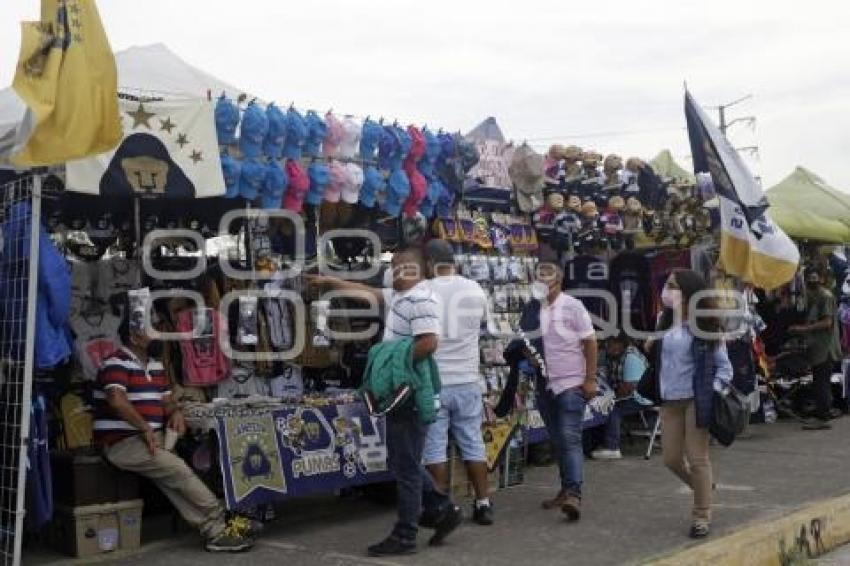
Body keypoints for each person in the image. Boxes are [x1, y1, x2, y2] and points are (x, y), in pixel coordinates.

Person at [310, 247, 462, 557]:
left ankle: (406, 534)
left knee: (405, 467)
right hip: (401, 392)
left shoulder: (420, 299)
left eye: (405, 266)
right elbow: (370, 293)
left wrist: (394, 365)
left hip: (408, 392)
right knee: (401, 460)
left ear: (422, 271)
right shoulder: (401, 296)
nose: (397, 272)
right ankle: (442, 508)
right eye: (394, 266)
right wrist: (331, 282)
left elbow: (429, 342)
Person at [94, 314, 254, 553]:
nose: (158, 334)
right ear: (135, 336)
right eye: (152, 330)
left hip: (151, 438)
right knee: (177, 470)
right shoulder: (115, 362)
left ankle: (214, 532)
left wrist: (175, 412)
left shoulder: (155, 365)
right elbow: (116, 400)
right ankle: (221, 514)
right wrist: (144, 427)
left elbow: (166, 401)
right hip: (123, 443)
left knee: (173, 479)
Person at [651, 269, 732, 539]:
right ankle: (705, 486)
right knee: (671, 459)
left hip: (696, 399)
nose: (667, 290)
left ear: (688, 293)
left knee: (697, 459)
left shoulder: (706, 327)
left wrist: (711, 392)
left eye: (672, 286)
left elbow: (725, 369)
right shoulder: (663, 321)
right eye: (667, 284)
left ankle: (701, 515)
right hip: (670, 399)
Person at [421, 239, 494, 525]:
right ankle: (484, 503)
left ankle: (442, 508)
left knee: (434, 448)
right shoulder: (475, 289)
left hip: (436, 381)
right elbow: (484, 327)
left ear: (429, 263)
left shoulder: (424, 291)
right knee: (473, 443)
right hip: (467, 380)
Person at [525, 261, 597, 521]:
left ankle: (574, 495)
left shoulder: (573, 306)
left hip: (571, 383)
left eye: (547, 276)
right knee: (557, 440)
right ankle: (566, 489)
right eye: (539, 276)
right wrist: (528, 356)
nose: (542, 281)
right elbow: (524, 340)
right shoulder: (532, 309)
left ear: (559, 281)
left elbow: (590, 342)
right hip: (545, 384)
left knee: (570, 438)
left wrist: (590, 379)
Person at [789, 266, 842, 430]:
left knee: (821, 383)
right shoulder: (812, 296)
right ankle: (821, 413)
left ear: (821, 279)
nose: (812, 281)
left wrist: (802, 329)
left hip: (825, 347)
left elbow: (827, 323)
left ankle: (823, 418)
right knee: (819, 381)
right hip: (817, 347)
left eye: (814, 277)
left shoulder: (825, 296)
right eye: (809, 278)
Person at [593, 332, 653, 460]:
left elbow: (628, 388)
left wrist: (610, 398)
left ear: (621, 344)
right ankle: (598, 442)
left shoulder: (631, 357)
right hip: (629, 394)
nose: (608, 348)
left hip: (641, 397)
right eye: (607, 344)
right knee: (600, 406)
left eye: (611, 344)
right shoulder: (611, 356)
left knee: (612, 409)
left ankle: (612, 447)